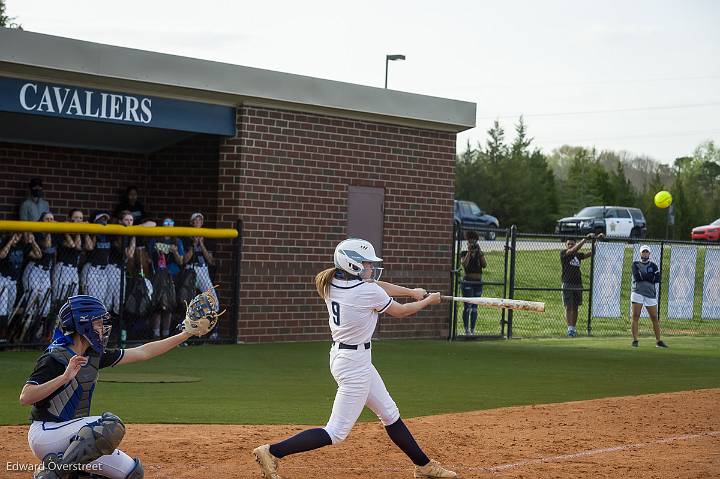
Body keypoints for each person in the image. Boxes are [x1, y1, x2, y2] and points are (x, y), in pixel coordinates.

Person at [253, 238, 457, 479]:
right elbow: (400, 311)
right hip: (353, 365)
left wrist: (410, 292)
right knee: (336, 432)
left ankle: (424, 466)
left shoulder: (330, 282)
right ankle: (271, 451)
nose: (370, 268)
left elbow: (376, 285)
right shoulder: (364, 291)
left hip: (347, 358)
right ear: (352, 265)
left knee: (389, 413)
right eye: (367, 264)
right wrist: (427, 301)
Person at [19, 294, 209, 478]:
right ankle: (55, 472)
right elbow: (26, 397)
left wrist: (186, 333)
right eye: (98, 322)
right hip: (46, 434)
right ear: (82, 323)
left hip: (74, 438)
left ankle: (66, 469)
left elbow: (144, 352)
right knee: (111, 425)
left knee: (132, 473)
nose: (103, 328)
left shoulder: (93, 355)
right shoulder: (54, 358)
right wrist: (65, 377)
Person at [183, 212, 219, 338]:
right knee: (187, 301)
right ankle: (185, 333)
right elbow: (184, 260)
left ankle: (213, 332)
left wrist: (201, 243)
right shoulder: (186, 236)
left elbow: (211, 261)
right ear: (192, 223)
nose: (198, 222)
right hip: (189, 270)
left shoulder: (207, 236)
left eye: (200, 220)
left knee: (213, 299)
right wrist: (194, 244)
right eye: (195, 221)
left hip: (203, 270)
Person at [147, 218, 184, 339]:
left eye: (170, 225)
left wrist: (174, 252)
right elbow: (149, 258)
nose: (168, 227)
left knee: (169, 305)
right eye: (166, 225)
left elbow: (180, 261)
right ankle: (156, 334)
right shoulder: (155, 239)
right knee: (158, 305)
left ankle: (166, 334)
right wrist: (158, 253)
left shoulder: (177, 241)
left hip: (172, 276)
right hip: (158, 275)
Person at [24, 212, 57, 341]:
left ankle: (38, 334)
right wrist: (49, 231)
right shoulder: (36, 233)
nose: (50, 221)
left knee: (46, 304)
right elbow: (46, 245)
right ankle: (25, 334)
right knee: (32, 300)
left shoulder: (56, 235)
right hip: (34, 269)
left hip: (46, 272)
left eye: (52, 219)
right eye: (47, 219)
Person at [560, 233, 601, 337]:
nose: (570, 245)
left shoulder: (578, 255)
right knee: (568, 307)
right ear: (566, 245)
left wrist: (597, 241)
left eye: (572, 244)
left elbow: (591, 253)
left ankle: (573, 328)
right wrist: (585, 239)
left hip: (578, 284)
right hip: (567, 284)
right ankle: (569, 329)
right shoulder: (564, 253)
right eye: (569, 244)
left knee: (575, 307)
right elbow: (572, 250)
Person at [0, 232, 41, 340]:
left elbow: (38, 255)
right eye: (15, 235)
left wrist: (33, 243)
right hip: (2, 279)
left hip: (14, 282)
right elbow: (2, 255)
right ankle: (2, 336)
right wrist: (10, 242)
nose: (17, 237)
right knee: (2, 308)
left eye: (19, 235)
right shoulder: (4, 243)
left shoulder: (22, 246)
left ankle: (4, 335)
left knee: (9, 308)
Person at [631, 245, 668, 348]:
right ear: (640, 253)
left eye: (647, 252)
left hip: (650, 294)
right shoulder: (635, 264)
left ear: (649, 253)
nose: (645, 253)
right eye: (643, 252)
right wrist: (650, 276)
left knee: (654, 317)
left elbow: (657, 279)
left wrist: (645, 276)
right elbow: (637, 277)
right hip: (637, 293)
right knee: (635, 316)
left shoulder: (654, 266)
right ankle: (635, 340)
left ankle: (658, 341)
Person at [52, 209, 85, 306]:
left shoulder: (80, 234)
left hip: (74, 269)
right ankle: (55, 320)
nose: (78, 220)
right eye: (75, 217)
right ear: (70, 219)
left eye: (80, 218)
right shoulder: (62, 232)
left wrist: (78, 232)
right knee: (59, 297)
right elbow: (72, 245)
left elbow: (78, 246)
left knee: (73, 298)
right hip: (62, 267)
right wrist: (65, 229)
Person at [107, 211, 136, 316]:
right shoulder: (117, 233)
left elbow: (131, 254)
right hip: (111, 268)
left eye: (131, 220)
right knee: (109, 298)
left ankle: (116, 326)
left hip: (121, 269)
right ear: (120, 221)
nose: (129, 222)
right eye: (126, 220)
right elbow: (128, 254)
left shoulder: (131, 234)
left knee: (120, 299)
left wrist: (133, 236)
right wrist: (133, 238)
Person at [460, 230, 486, 336]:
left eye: (473, 242)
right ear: (467, 242)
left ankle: (473, 329)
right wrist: (469, 253)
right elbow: (464, 264)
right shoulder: (464, 253)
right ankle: (466, 330)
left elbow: (484, 265)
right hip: (468, 282)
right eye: (470, 242)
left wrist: (479, 252)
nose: (472, 244)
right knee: (468, 306)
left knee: (475, 308)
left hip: (478, 282)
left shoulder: (479, 253)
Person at [82, 212, 112, 303]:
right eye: (101, 219)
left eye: (105, 219)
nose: (104, 222)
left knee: (101, 299)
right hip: (92, 268)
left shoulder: (108, 234)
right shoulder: (91, 233)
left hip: (104, 270)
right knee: (90, 298)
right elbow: (90, 247)